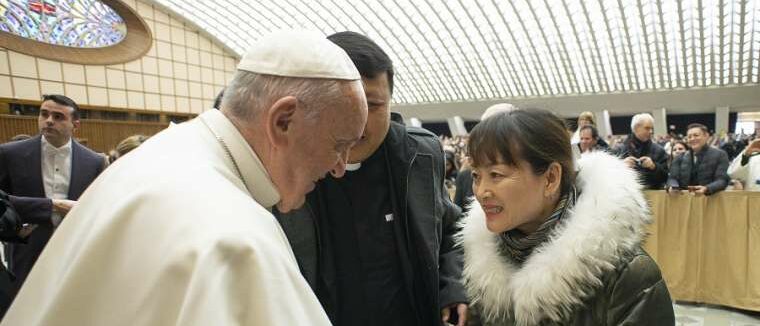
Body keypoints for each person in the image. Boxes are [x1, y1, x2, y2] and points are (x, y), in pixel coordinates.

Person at [1, 31, 368, 326]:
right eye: (340, 145)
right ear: (283, 121)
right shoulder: (233, 234)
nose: (340, 167)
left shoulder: (165, 153)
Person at [274, 31, 467, 326]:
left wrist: (452, 287)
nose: (358, 119)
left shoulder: (421, 157)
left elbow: (451, 231)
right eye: (343, 102)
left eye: (374, 105)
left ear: (391, 103)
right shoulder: (283, 169)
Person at [458, 108, 674, 325]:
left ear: (551, 178)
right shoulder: (481, 267)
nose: (481, 191)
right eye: (476, 176)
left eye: (496, 175)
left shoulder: (630, 276)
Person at [0, 94, 106, 298]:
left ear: (76, 124)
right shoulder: (9, 154)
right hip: (26, 249)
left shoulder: (94, 161)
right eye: (44, 114)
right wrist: (51, 205)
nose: (49, 120)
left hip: (74, 250)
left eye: (58, 117)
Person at [454, 103, 516, 213]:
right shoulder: (465, 177)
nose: (482, 193)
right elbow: (457, 220)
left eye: (496, 175)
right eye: (476, 176)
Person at [668, 123, 730, 195]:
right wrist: (673, 186)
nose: (692, 139)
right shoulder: (680, 157)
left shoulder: (720, 155)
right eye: (689, 137)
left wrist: (707, 188)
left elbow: (722, 180)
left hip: (710, 198)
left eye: (696, 135)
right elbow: (672, 178)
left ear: (706, 136)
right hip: (684, 199)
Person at [613, 113, 668, 189]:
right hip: (626, 195)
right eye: (647, 128)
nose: (651, 131)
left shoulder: (659, 150)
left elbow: (666, 177)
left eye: (652, 128)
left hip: (653, 195)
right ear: (636, 128)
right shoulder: (619, 150)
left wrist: (654, 167)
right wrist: (621, 166)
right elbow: (609, 176)